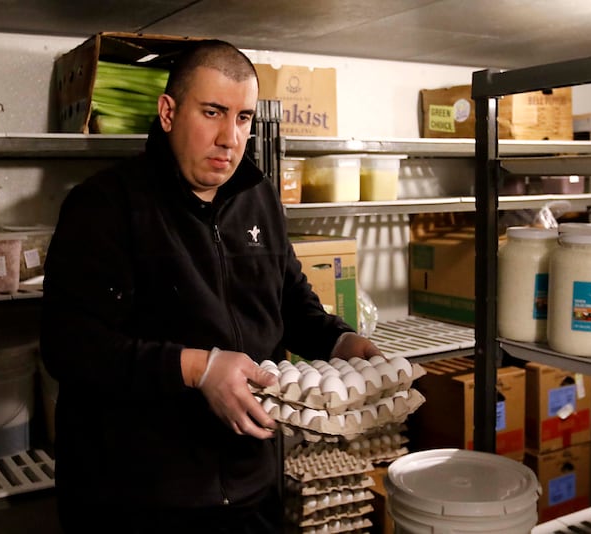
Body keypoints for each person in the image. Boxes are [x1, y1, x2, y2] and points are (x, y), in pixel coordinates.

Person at [40, 39, 381, 533]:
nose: (230, 138)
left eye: (243, 118)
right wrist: (199, 369)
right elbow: (71, 348)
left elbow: (289, 302)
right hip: (136, 496)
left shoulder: (259, 197)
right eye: (212, 112)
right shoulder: (106, 206)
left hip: (248, 486)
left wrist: (339, 340)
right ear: (168, 113)